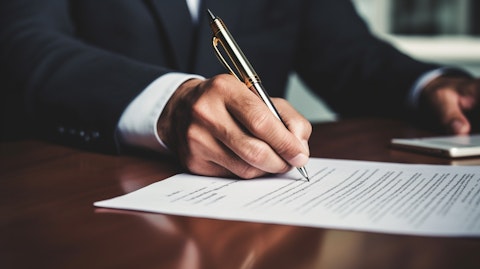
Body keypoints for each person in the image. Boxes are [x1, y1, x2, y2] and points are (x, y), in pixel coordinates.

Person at [0, 0, 478, 179]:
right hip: (72, 201)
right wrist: (171, 104)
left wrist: (433, 85)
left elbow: (350, 54)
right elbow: (22, 43)